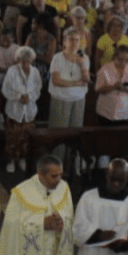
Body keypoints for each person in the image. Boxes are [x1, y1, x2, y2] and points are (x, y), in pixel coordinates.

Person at [48, 30, 89, 163]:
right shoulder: (57, 58)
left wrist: (82, 64)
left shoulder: (84, 58)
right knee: (59, 134)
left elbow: (86, 79)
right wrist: (76, 83)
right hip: (61, 99)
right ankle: (56, 163)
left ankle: (71, 164)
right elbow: (57, 81)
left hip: (78, 100)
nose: (74, 43)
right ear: (64, 42)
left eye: (77, 40)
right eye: (71, 40)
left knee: (74, 133)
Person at [2, 46, 42, 173]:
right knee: (13, 136)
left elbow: (38, 89)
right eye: (23, 60)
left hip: (29, 110)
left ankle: (22, 159)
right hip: (14, 109)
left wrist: (29, 97)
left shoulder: (35, 72)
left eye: (28, 61)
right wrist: (19, 97)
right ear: (19, 60)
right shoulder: (12, 71)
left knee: (26, 137)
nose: (25, 63)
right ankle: (11, 161)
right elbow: (6, 90)